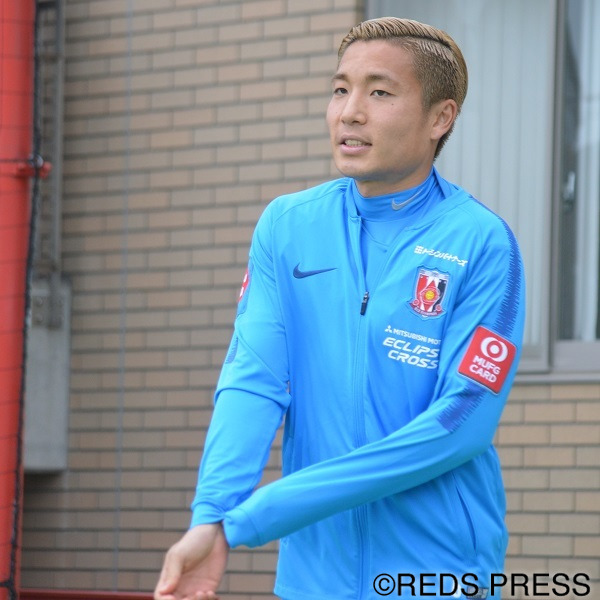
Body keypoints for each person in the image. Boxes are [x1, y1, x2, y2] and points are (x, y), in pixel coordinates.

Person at [155, 16, 525, 600]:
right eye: (340, 89)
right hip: (313, 578)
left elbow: (460, 425)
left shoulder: (481, 241)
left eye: (379, 93)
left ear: (440, 118)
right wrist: (213, 515)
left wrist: (260, 515)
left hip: (438, 577)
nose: (350, 112)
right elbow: (254, 381)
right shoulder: (287, 226)